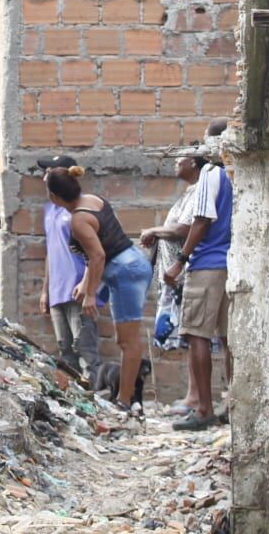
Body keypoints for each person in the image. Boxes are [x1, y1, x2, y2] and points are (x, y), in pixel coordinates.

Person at [45, 166, 153, 409]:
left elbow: (98, 256)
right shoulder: (93, 200)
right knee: (126, 338)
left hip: (125, 271)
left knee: (128, 340)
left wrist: (91, 293)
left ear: (54, 197)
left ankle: (124, 401)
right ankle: (124, 399)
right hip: (130, 263)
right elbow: (105, 241)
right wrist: (85, 284)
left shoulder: (78, 219)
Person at [164, 124, 233, 431]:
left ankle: (203, 409)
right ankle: (232, 404)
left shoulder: (210, 175)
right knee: (229, 339)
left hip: (206, 264)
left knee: (197, 336)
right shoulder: (234, 173)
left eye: (206, 140)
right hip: (230, 264)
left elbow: (202, 220)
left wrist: (179, 261)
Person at [139, 154, 209, 413]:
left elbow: (184, 229)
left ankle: (195, 398)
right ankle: (193, 396)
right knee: (186, 336)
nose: (174, 164)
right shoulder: (191, 191)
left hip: (183, 273)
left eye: (179, 159)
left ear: (193, 162)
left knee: (192, 335)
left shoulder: (200, 191)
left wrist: (154, 231)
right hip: (173, 275)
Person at [35, 155, 99, 382]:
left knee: (85, 349)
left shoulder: (77, 209)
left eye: (48, 171)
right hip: (57, 290)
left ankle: (97, 397)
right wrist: (45, 290)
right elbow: (51, 252)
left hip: (78, 288)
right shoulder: (50, 211)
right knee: (65, 350)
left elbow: (96, 252)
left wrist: (87, 284)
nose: (44, 177)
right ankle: (77, 398)